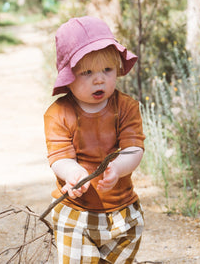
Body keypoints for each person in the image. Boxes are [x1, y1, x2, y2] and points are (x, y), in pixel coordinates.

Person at [44, 16, 145, 264]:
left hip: (121, 210)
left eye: (107, 70)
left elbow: (134, 147)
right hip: (76, 212)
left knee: (125, 246)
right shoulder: (58, 113)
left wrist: (119, 167)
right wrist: (73, 174)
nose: (99, 79)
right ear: (69, 76)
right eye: (87, 72)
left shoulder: (126, 107)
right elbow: (59, 157)